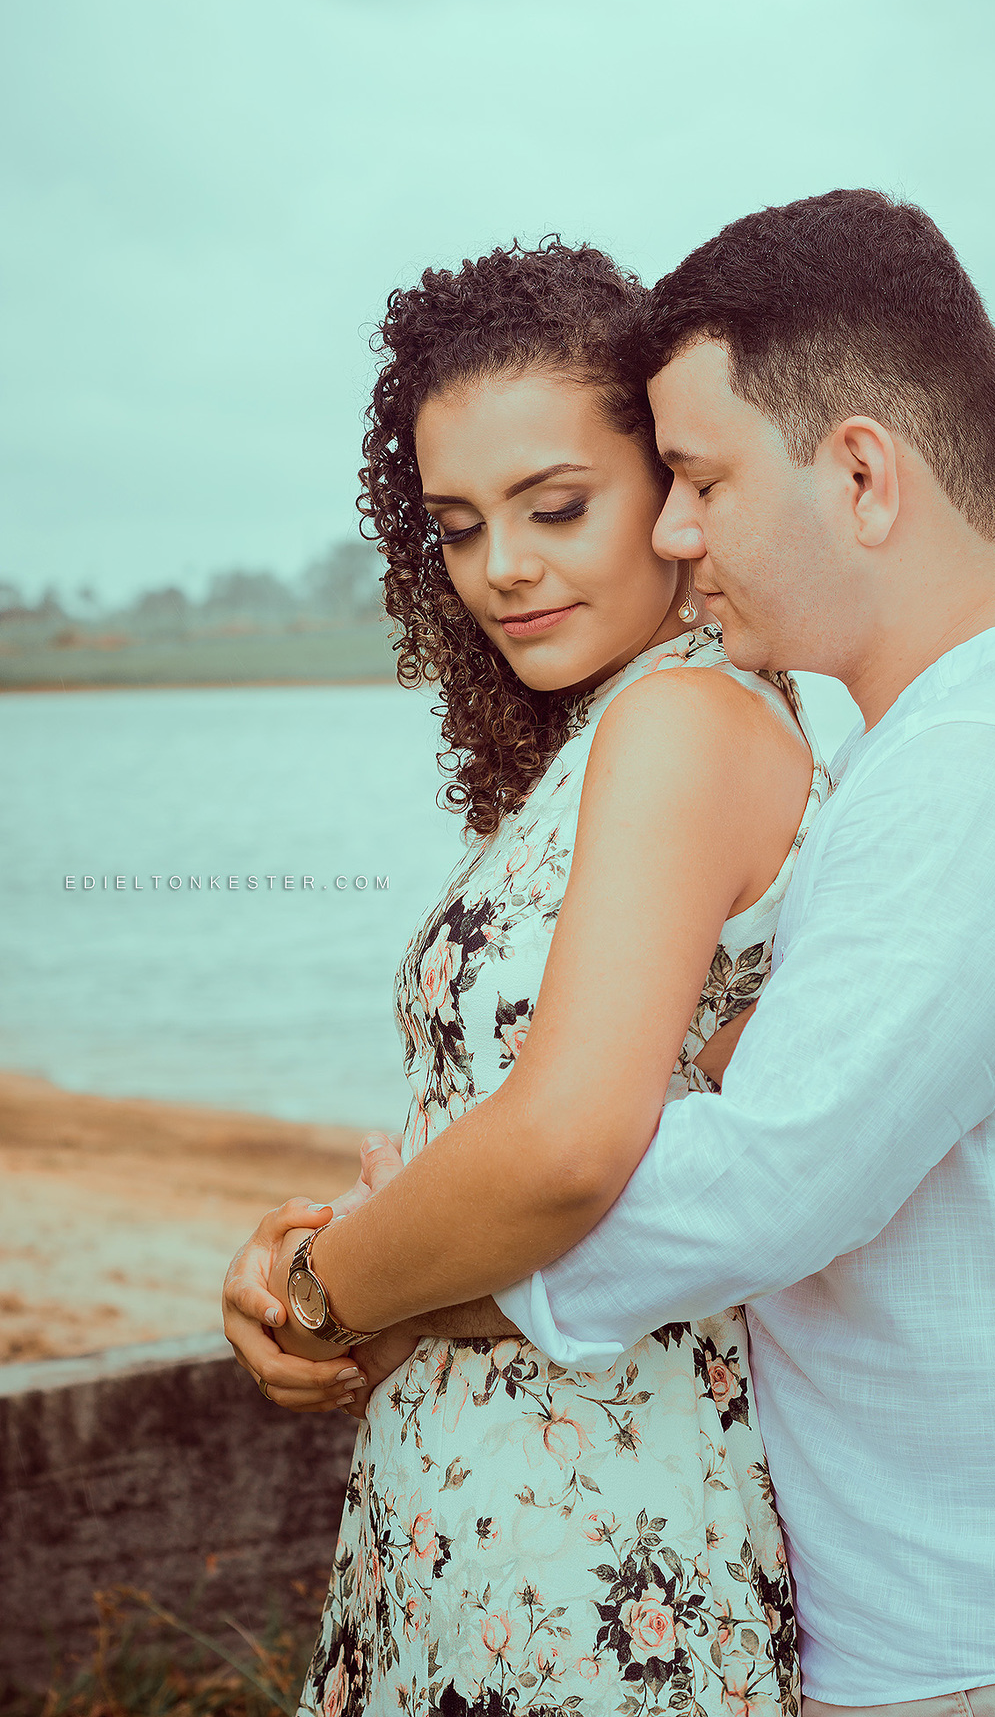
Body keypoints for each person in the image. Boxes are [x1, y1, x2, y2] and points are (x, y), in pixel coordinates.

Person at [228, 192, 995, 1716]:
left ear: (863, 474)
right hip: (947, 1622)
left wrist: (360, 1285)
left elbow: (760, 1181)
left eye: (697, 481)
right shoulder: (922, 747)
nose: (679, 533)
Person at [225, 239, 830, 1715]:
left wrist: (319, 1294)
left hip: (594, 1529)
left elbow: (568, 1146)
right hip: (486, 1505)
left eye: (557, 507)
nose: (503, 566)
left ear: (675, 490)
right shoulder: (615, 734)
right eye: (456, 525)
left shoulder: (685, 724)